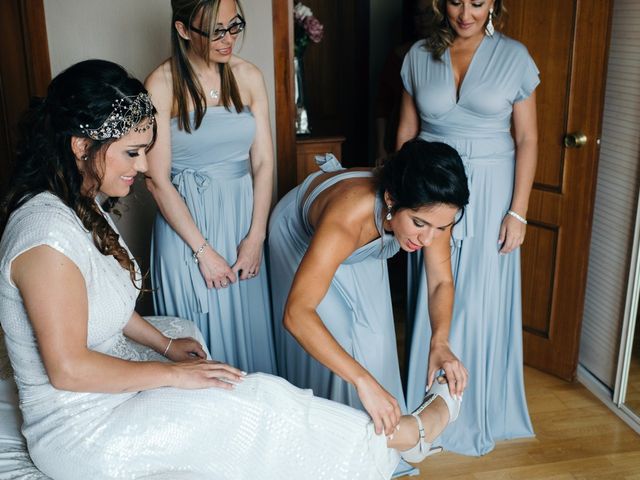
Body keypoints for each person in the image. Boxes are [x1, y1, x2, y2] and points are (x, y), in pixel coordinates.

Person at [0, 59, 462, 479]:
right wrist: (173, 375)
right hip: (82, 432)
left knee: (254, 391)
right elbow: (67, 370)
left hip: (99, 404)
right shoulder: (45, 235)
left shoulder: (84, 209)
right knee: (248, 406)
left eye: (146, 151)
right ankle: (404, 436)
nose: (144, 168)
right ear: (83, 145)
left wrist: (162, 344)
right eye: (133, 152)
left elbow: (104, 305)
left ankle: (395, 436)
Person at [397, 0, 539, 456]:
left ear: (494, 3)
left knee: (479, 299)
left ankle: (472, 408)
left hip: (492, 193)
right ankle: (424, 408)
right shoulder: (419, 56)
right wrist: (404, 201)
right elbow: (405, 136)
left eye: (478, 2)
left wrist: (517, 211)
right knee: (431, 291)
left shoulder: (515, 57)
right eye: (456, 0)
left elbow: (527, 138)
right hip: (429, 192)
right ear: (440, 3)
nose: (466, 12)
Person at [268, 139, 470, 436]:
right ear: (391, 200)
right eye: (419, 224)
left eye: (440, 228)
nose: (429, 240)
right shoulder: (348, 218)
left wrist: (440, 341)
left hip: (365, 240)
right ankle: (331, 443)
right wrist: (363, 381)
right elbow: (297, 313)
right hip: (299, 236)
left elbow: (440, 281)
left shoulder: (433, 210)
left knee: (376, 343)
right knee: (341, 342)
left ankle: (381, 446)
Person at [145, 0, 276, 374]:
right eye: (216, 31)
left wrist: (256, 238)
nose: (228, 38)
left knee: (249, 344)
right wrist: (203, 251)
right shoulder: (161, 84)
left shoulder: (249, 77)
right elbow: (156, 179)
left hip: (241, 225)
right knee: (199, 352)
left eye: (234, 26)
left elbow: (264, 163)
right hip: (187, 233)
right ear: (184, 30)